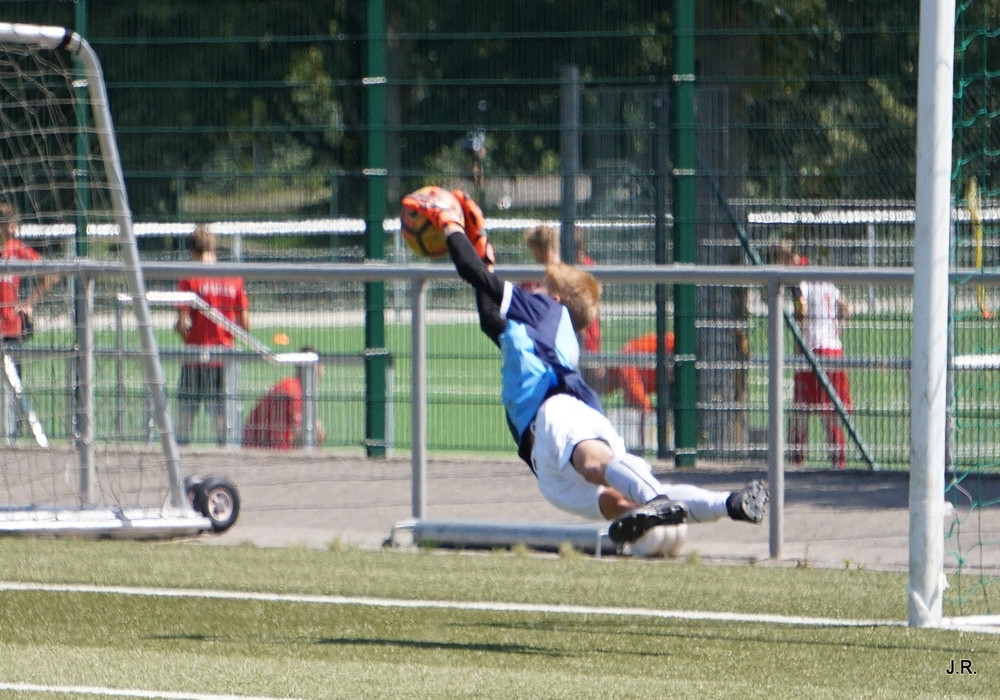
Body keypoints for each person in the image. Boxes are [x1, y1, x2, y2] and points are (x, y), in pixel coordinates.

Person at [402, 188, 767, 545]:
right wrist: (481, 251)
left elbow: (472, 273)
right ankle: (729, 504)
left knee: (597, 466)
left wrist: (450, 225)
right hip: (541, 457)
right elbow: (489, 318)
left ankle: (657, 501)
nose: (533, 288)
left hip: (557, 411)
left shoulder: (545, 310)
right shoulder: (529, 331)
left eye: (542, 284)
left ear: (556, 297)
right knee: (619, 502)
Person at [777, 243, 852, 468]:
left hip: (814, 349)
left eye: (780, 257)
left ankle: (796, 461)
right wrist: (837, 329)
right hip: (834, 349)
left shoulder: (799, 280)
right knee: (831, 410)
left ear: (791, 258)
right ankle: (838, 462)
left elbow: (802, 310)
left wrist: (801, 340)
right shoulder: (823, 280)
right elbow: (847, 307)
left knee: (801, 408)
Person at [174, 225, 249, 446]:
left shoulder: (189, 279)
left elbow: (181, 323)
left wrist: (188, 336)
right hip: (224, 358)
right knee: (222, 414)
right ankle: (225, 450)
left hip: (195, 356)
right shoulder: (232, 278)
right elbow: (245, 324)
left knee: (186, 412)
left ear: (191, 250)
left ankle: (181, 452)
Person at [0, 202, 58, 440]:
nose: (13, 226)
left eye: (14, 222)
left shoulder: (17, 250)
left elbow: (51, 275)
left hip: (10, 330)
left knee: (13, 388)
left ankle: (12, 439)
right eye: (8, 222)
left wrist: (29, 302)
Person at [243, 348, 325, 450]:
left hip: (264, 442)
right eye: (321, 365)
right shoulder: (293, 390)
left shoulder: (295, 387)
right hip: (265, 448)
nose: (323, 370)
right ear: (316, 367)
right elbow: (302, 432)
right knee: (314, 434)